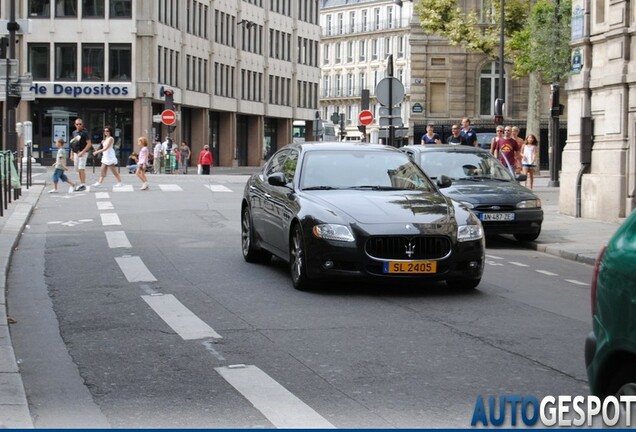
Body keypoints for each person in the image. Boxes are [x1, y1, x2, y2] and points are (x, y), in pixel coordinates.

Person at [69, 118, 92, 191]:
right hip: (76, 153)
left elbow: (89, 144)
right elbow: (73, 144)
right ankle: (82, 183)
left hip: (83, 153)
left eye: (80, 124)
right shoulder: (74, 132)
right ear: (75, 125)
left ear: (82, 124)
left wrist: (83, 152)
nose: (78, 125)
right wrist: (71, 154)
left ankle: (83, 184)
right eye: (77, 124)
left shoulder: (85, 132)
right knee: (77, 169)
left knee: (81, 168)